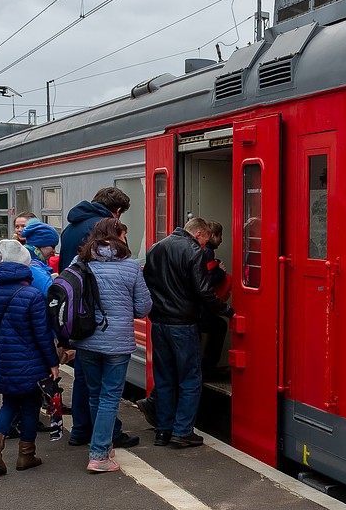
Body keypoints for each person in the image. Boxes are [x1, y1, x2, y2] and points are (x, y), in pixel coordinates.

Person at [144, 217, 232, 448]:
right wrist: (226, 310)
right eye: (204, 240)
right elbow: (204, 291)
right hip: (182, 325)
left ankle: (162, 431)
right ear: (200, 233)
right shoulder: (194, 251)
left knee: (164, 379)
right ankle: (182, 431)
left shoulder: (156, 248)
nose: (204, 245)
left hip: (159, 323)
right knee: (190, 379)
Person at [57, 187, 134, 450]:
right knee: (105, 388)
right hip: (95, 313)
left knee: (85, 377)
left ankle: (80, 429)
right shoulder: (102, 229)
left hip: (76, 311)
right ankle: (106, 435)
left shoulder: (71, 226)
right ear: (117, 211)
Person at [72, 219, 151, 473]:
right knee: (109, 397)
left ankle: (102, 447)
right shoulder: (130, 267)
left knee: (96, 394)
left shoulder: (80, 262)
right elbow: (143, 307)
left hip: (85, 340)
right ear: (118, 236)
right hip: (117, 342)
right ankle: (98, 455)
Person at [0, 240, 60, 475]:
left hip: (5, 358)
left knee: (9, 402)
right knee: (31, 404)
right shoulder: (32, 295)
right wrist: (52, 363)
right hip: (32, 359)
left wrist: (7, 339)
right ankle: (26, 455)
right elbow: (42, 335)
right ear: (26, 266)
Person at [200, 220, 231, 379]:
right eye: (219, 236)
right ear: (212, 236)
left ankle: (206, 365)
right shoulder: (208, 252)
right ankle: (208, 366)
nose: (221, 240)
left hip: (197, 307)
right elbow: (207, 280)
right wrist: (220, 272)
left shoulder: (202, 249)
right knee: (219, 326)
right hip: (201, 308)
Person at [20, 220, 59, 295]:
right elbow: (51, 292)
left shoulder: (28, 261)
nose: (54, 251)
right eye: (52, 246)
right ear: (40, 245)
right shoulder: (33, 267)